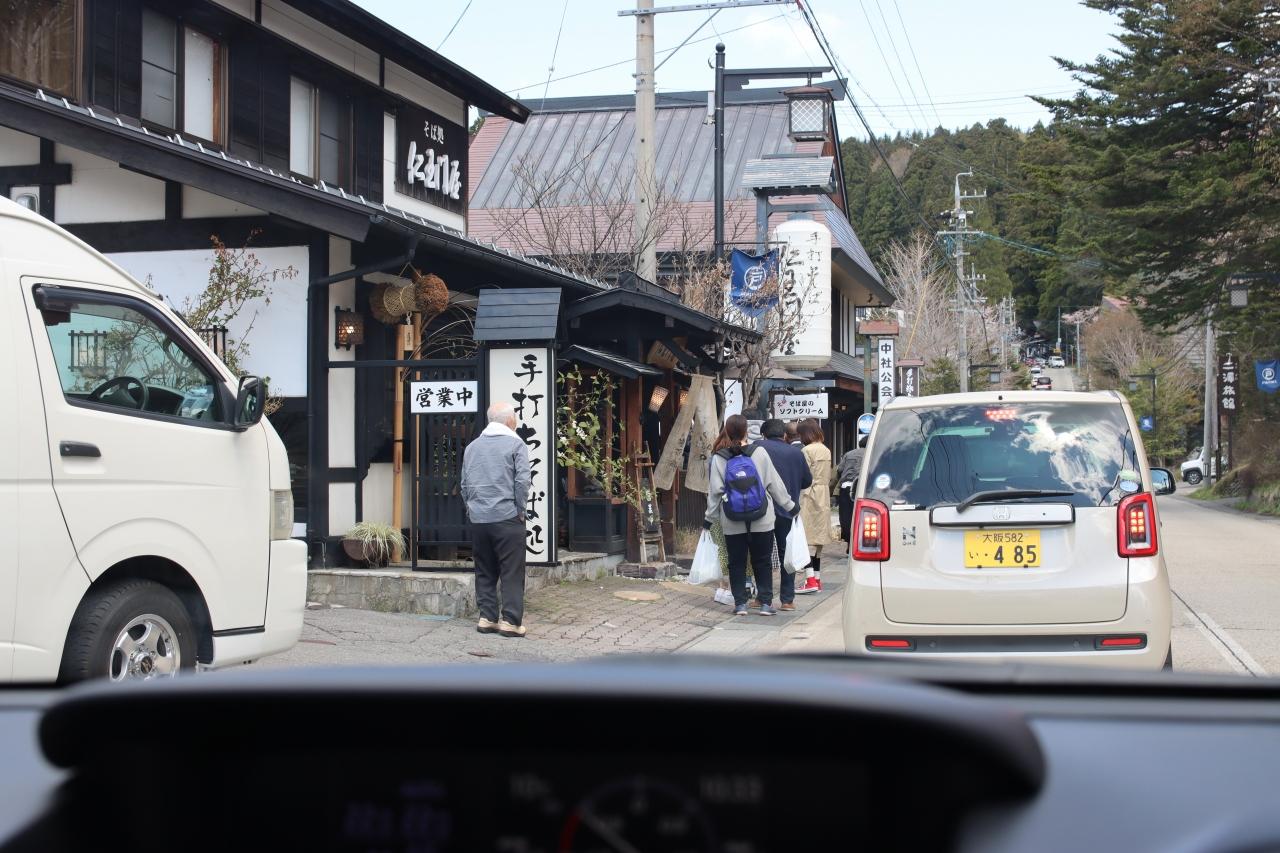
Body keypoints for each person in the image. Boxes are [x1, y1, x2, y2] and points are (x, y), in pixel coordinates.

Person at [705, 414, 797, 616]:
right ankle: (765, 604)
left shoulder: (720, 458)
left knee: (736, 562)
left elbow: (715, 492)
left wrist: (708, 519)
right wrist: (790, 506)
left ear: (727, 431)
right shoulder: (759, 453)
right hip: (762, 518)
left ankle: (740, 604)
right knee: (762, 561)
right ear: (746, 431)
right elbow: (774, 483)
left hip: (732, 519)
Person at [460, 401, 532, 638]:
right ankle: (510, 621)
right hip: (507, 517)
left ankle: (487, 618)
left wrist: (472, 510)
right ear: (510, 421)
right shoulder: (516, 444)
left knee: (484, 569)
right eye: (515, 418)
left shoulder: (472, 447)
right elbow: (522, 481)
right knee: (511, 570)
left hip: (479, 519)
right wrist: (520, 509)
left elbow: (464, 484)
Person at [754, 419, 812, 611]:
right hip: (788, 510)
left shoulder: (757, 448)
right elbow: (807, 481)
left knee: (762, 555)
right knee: (787, 553)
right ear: (785, 435)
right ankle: (787, 600)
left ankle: (763, 598)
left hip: (761, 511)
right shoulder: (796, 453)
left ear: (763, 434)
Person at [797, 419, 832, 594]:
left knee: (807, 538)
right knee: (818, 539)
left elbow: (803, 476)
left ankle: (810, 580)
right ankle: (817, 580)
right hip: (823, 494)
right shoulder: (826, 449)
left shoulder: (806, 450)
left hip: (809, 494)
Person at [835, 435, 868, 543]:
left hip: (846, 487)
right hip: (863, 488)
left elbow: (839, 470)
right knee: (862, 515)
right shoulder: (871, 453)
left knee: (845, 516)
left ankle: (849, 540)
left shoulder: (849, 454)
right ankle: (859, 540)